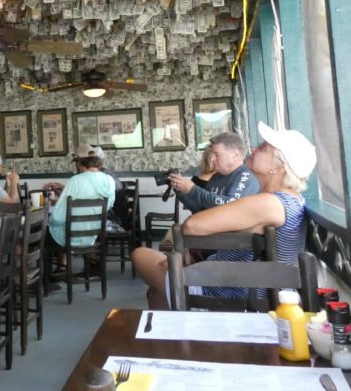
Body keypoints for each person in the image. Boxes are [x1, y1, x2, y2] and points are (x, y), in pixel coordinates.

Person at [133, 122, 317, 310]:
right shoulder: (292, 199)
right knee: (156, 291)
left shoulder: (269, 203)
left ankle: (187, 324)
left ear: (278, 168)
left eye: (263, 148)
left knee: (140, 254)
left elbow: (192, 226)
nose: (254, 148)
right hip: (246, 284)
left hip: (231, 293)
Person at [167, 131, 260, 213]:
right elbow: (201, 211)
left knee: (179, 229)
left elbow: (230, 206)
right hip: (214, 231)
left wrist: (192, 189)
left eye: (216, 154)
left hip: (232, 233)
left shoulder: (245, 176)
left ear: (235, 155)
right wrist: (181, 191)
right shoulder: (216, 177)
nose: (211, 159)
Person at [48, 150, 117, 248]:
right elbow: (110, 204)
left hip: (71, 237)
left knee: (47, 231)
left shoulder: (75, 180)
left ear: (81, 164)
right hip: (94, 234)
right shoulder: (109, 180)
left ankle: (65, 261)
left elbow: (59, 216)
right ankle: (90, 257)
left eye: (76, 162)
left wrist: (49, 221)